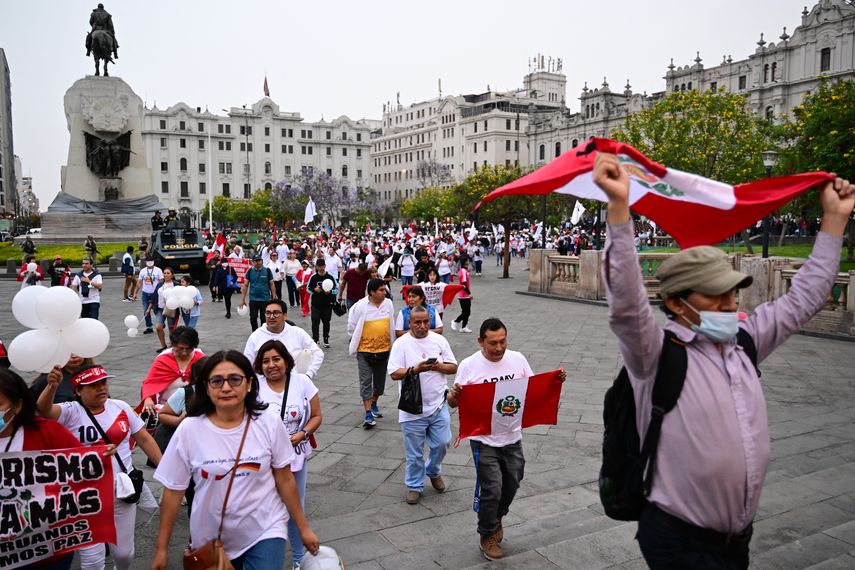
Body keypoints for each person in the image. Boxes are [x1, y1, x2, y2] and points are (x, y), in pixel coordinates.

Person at [593, 151, 855, 569]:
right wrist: (620, 209)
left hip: (736, 539)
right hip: (678, 538)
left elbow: (805, 297)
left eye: (732, 292)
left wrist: (835, 221)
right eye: (716, 295)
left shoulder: (746, 342)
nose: (730, 303)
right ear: (677, 303)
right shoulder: (656, 355)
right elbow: (626, 303)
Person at [151, 351, 320, 569]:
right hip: (209, 539)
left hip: (265, 528)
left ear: (249, 383)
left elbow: (285, 478)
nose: (226, 387)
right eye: (217, 381)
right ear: (206, 386)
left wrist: (303, 528)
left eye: (235, 379)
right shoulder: (189, 429)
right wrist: (162, 548)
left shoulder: (268, 422)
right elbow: (173, 491)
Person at [448, 318, 563, 561]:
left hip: (512, 436)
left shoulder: (518, 359)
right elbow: (454, 403)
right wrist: (453, 396)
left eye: (502, 341)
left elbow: (533, 389)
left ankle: (497, 516)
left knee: (513, 482)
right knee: (492, 488)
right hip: (484, 439)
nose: (499, 348)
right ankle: (487, 534)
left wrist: (553, 382)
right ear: (481, 341)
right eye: (492, 343)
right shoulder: (469, 365)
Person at [37, 364, 162, 570]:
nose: (101, 388)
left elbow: (145, 439)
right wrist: (51, 387)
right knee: (92, 560)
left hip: (121, 490)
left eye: (103, 382)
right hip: (85, 495)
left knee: (124, 554)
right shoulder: (71, 411)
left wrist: (166, 469)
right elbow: (44, 410)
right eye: (93, 385)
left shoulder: (120, 407)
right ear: (78, 391)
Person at [1, 369, 83, 570]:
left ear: (18, 405)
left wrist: (102, 456)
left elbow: (83, 465)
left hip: (47, 551)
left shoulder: (48, 431)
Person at [253, 341, 323, 570]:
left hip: (295, 456)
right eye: (265, 361)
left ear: (286, 360)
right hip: (263, 461)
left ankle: (297, 559)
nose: (271, 365)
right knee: (263, 509)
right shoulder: (253, 386)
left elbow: (316, 416)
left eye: (276, 359)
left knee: (295, 508)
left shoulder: (302, 382)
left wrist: (302, 434)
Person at [388, 305, 457, 504]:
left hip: (438, 405)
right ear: (409, 323)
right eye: (417, 322)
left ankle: (433, 470)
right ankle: (414, 485)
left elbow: (453, 367)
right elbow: (394, 373)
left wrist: (438, 366)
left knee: (443, 443)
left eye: (426, 321)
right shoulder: (401, 344)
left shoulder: (439, 340)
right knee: (414, 453)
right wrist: (415, 369)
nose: (422, 326)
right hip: (412, 409)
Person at [347, 278, 396, 429]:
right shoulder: (360, 306)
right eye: (381, 290)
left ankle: (374, 402)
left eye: (385, 289)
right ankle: (368, 413)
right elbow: (352, 327)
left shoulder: (388, 304)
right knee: (365, 381)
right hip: (364, 351)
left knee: (380, 383)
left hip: (383, 350)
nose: (384, 292)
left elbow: (391, 323)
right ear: (372, 292)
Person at [243, 299, 324, 381]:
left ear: (284, 315)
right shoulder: (255, 337)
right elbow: (246, 364)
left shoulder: (297, 332)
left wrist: (309, 374)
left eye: (276, 313)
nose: (271, 317)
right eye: (268, 313)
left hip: (293, 384)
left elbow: (318, 353)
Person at [138, 326, 204, 417]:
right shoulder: (163, 360)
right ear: (173, 345)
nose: (184, 353)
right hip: (166, 410)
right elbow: (150, 382)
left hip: (194, 409)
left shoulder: (200, 359)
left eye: (189, 349)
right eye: (180, 348)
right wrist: (148, 399)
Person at [29, 354, 94, 404]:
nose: (74, 356)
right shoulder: (49, 380)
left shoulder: (95, 374)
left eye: (77, 350)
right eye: (68, 352)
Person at [240, 254, 276, 332]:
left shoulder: (267, 271)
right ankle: (255, 332)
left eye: (260, 260)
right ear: (253, 262)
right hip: (253, 299)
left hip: (265, 299)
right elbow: (245, 285)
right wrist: (242, 299)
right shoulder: (250, 271)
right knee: (253, 317)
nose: (259, 262)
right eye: (256, 261)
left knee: (264, 318)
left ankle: (263, 332)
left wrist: (273, 298)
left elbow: (272, 285)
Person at [307, 258, 337, 348]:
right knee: (315, 322)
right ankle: (316, 339)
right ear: (316, 267)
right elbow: (308, 288)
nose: (321, 268)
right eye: (319, 266)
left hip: (327, 304)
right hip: (315, 304)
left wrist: (331, 291)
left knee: (326, 322)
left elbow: (336, 289)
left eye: (322, 266)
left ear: (325, 266)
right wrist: (314, 290)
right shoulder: (313, 277)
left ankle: (326, 338)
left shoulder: (330, 277)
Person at [148, 267, 179, 352]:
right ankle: (163, 345)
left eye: (168, 273)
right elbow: (154, 297)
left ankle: (172, 345)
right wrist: (149, 308)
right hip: (159, 308)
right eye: (164, 273)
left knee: (171, 328)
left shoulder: (176, 284)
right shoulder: (159, 284)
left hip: (171, 309)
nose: (165, 275)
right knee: (158, 327)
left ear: (172, 275)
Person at [133, 256, 164, 334]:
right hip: (145, 293)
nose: (150, 262)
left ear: (153, 261)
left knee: (157, 310)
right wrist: (135, 293)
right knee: (146, 310)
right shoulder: (143, 271)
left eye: (151, 261)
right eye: (148, 261)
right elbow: (139, 282)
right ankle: (149, 326)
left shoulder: (158, 270)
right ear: (146, 262)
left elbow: (162, 281)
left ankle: (161, 323)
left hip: (156, 293)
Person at [451, 259, 473, 333]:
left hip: (464, 295)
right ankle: (455, 321)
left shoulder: (464, 270)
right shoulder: (463, 271)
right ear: (464, 263)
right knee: (466, 312)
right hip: (463, 295)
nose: (468, 262)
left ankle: (464, 327)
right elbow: (464, 283)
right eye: (467, 262)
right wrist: (469, 293)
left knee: (467, 312)